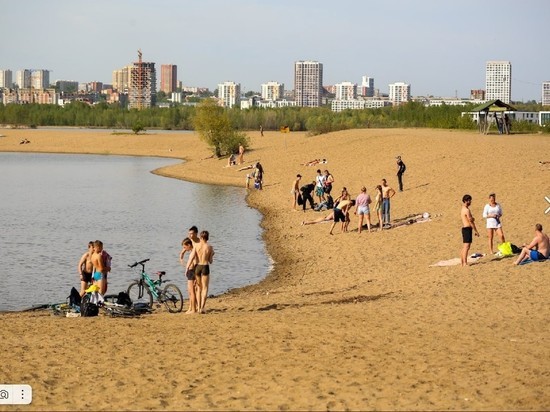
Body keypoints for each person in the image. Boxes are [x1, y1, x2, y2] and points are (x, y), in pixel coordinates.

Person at [188, 230, 215, 314]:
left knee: (198, 288)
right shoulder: (210, 247)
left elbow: (192, 257)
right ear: (207, 237)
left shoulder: (196, 246)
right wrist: (212, 254)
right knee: (205, 288)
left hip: (198, 267)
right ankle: (202, 308)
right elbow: (210, 261)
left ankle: (198, 307)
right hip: (205, 266)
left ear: (201, 237)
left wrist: (187, 267)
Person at [460, 195, 480, 267]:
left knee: (465, 246)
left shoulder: (463, 209)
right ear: (465, 201)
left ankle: (462, 262)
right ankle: (465, 263)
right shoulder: (467, 210)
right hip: (467, 229)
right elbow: (471, 221)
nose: (470, 202)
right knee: (466, 247)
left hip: (465, 229)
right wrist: (476, 231)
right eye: (469, 200)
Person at [179, 237, 198, 314]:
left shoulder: (194, 251)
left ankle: (193, 309)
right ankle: (191, 307)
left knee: (192, 291)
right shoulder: (192, 249)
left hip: (192, 271)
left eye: (184, 247)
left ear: (189, 245)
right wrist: (182, 256)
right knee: (190, 291)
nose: (184, 249)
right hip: (191, 271)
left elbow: (194, 264)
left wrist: (186, 267)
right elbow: (181, 254)